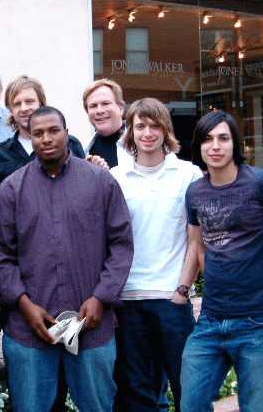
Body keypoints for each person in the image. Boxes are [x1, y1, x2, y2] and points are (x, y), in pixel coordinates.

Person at [0, 106, 134, 412]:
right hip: (29, 329)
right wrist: (24, 304)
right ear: (30, 138)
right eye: (37, 133)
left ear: (67, 134)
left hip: (91, 324)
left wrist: (101, 297)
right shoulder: (11, 189)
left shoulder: (101, 183)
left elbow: (121, 245)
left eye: (53, 131)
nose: (46, 139)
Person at [180, 110, 263, 412]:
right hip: (210, 322)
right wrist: (193, 284)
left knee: (255, 407)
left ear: (235, 143)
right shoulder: (195, 192)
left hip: (257, 323)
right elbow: (197, 243)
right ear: (199, 146)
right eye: (208, 140)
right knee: (191, 404)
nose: (215, 146)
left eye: (223, 138)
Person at [110, 98, 203, 412]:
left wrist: (182, 290)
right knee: (137, 394)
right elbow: (108, 241)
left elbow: (196, 240)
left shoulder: (189, 176)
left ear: (166, 130)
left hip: (170, 299)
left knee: (188, 389)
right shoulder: (115, 178)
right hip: (129, 300)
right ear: (130, 132)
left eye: (154, 125)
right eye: (140, 126)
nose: (147, 132)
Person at [0, 75, 86, 187]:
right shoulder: (1, 153)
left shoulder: (70, 143)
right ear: (10, 110)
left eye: (29, 102)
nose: (24, 109)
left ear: (41, 104)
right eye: (17, 104)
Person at [83, 79, 132, 168]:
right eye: (93, 106)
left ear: (121, 108)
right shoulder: (83, 153)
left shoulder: (140, 144)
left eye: (105, 104)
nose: (99, 111)